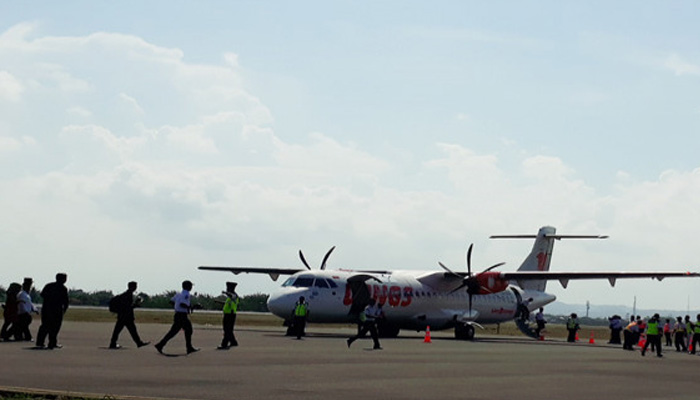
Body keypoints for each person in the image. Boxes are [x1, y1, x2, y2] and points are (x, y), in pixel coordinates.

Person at [154, 280, 200, 355]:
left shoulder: (178, 294)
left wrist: (176, 307)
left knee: (183, 330)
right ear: (188, 287)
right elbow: (183, 304)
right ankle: (161, 344)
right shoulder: (186, 294)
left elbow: (171, 301)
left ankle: (188, 347)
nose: (191, 287)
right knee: (182, 331)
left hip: (178, 314)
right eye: (191, 286)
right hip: (182, 315)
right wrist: (190, 307)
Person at [109, 281, 149, 349]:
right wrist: (135, 305)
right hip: (126, 317)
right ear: (132, 287)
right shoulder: (128, 295)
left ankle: (138, 342)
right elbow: (127, 307)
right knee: (129, 330)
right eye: (135, 286)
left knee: (120, 330)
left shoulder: (126, 294)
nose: (136, 288)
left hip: (123, 316)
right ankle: (138, 343)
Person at [35, 273, 69, 349]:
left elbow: (42, 295)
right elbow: (65, 301)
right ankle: (51, 343)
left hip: (47, 309)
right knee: (54, 327)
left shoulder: (49, 286)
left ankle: (42, 342)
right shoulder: (63, 288)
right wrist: (64, 308)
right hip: (56, 310)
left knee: (46, 326)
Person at [217, 282, 239, 349]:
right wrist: (219, 302)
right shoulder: (231, 297)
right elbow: (228, 303)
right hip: (228, 314)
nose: (227, 289)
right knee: (229, 329)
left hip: (230, 314)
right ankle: (233, 342)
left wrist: (225, 292)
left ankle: (224, 344)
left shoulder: (234, 295)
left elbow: (231, 296)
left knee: (227, 329)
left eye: (228, 288)